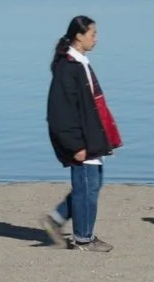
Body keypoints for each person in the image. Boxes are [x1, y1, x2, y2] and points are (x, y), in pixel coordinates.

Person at [41, 15, 122, 252]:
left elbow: (91, 105)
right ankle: (84, 238)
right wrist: (75, 145)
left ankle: (55, 220)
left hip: (93, 136)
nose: (96, 38)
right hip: (81, 141)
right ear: (79, 36)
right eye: (92, 34)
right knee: (86, 188)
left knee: (90, 187)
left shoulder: (81, 63)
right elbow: (60, 112)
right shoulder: (67, 67)